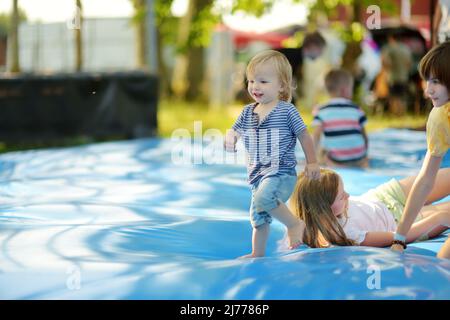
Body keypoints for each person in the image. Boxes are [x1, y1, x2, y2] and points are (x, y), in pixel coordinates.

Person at [224, 50, 320, 258]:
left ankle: (294, 224)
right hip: (257, 176)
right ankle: (257, 253)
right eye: (251, 81)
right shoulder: (248, 111)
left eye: (263, 81)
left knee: (264, 199)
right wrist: (231, 137)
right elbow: (235, 129)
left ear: (282, 85)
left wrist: (312, 163)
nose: (255, 86)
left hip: (281, 173)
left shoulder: (287, 111)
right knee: (258, 219)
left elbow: (304, 135)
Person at [289, 168, 450, 252]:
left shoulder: (301, 223)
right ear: (323, 210)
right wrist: (437, 218)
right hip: (401, 222)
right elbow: (398, 237)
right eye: (341, 196)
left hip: (382, 196)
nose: (348, 195)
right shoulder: (346, 234)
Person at [391, 41, 450, 259]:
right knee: (442, 264)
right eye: (427, 81)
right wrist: (400, 236)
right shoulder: (440, 118)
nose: (428, 90)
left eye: (436, 81)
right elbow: (425, 179)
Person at [311, 69, 369, 167]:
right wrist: (364, 153)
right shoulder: (356, 109)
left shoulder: (322, 110)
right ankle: (364, 162)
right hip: (358, 158)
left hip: (336, 161)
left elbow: (316, 136)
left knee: (322, 151)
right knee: (364, 157)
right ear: (344, 90)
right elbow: (364, 136)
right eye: (351, 88)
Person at [275, 31, 326, 101]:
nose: (321, 54)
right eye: (320, 49)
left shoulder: (297, 57)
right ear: (313, 46)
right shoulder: (292, 57)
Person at [381, 33, 412, 116]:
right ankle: (402, 113)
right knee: (402, 96)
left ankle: (395, 114)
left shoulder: (389, 48)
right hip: (404, 76)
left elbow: (385, 62)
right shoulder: (406, 48)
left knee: (393, 96)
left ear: (391, 38)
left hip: (392, 76)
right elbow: (409, 63)